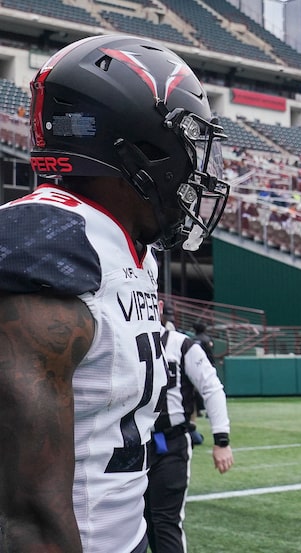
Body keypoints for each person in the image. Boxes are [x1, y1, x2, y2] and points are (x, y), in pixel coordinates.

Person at [0, 34, 228, 553]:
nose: (195, 174)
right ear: (139, 152)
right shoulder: (48, 251)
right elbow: (31, 515)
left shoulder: (125, 248)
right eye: (185, 151)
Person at [145, 319, 234, 553]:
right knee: (135, 522)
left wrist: (221, 440)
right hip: (132, 443)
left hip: (170, 441)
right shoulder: (124, 342)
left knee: (165, 519)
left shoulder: (182, 345)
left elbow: (212, 388)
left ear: (159, 307)